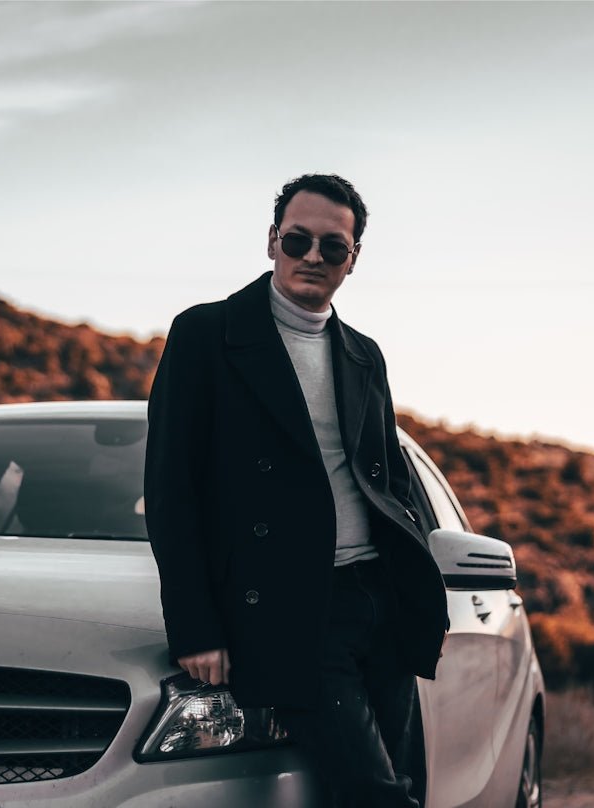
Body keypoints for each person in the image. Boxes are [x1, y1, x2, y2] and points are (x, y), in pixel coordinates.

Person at [144, 174, 447, 807]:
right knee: (374, 793)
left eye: (332, 247)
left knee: (401, 781)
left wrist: (416, 583)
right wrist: (195, 628)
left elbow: (387, 479)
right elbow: (172, 490)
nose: (312, 256)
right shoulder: (206, 335)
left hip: (378, 602)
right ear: (272, 242)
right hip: (292, 610)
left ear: (352, 259)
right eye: (297, 240)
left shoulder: (364, 355)